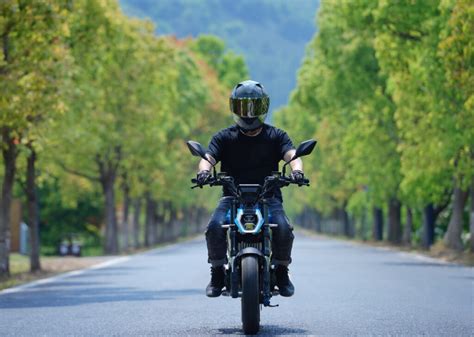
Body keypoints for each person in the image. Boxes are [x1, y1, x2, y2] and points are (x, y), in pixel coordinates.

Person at [195, 80, 306, 298]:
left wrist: (297, 171)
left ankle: (282, 271)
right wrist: (204, 172)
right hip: (232, 198)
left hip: (268, 198)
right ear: (234, 108)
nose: (248, 113)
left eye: (253, 106)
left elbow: (292, 155)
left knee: (283, 228)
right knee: (215, 227)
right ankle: (217, 272)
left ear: (263, 108)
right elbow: (208, 158)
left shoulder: (276, 135)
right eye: (243, 107)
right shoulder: (224, 137)